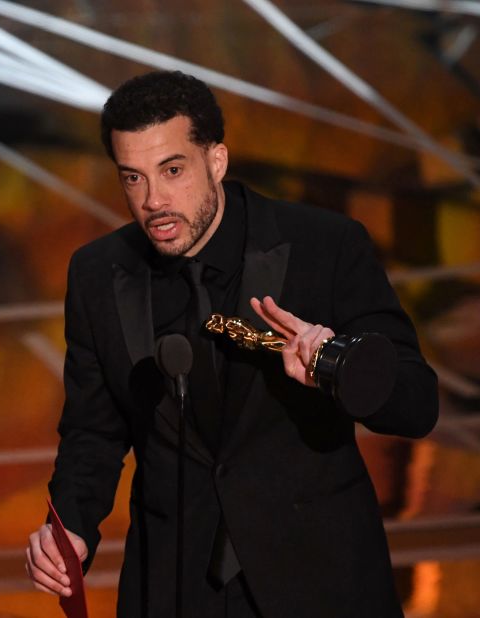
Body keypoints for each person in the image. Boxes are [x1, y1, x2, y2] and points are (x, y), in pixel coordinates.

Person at [25, 71, 438, 617]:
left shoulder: (324, 246)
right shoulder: (99, 273)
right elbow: (93, 429)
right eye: (133, 178)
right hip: (175, 584)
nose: (154, 201)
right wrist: (71, 527)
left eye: (172, 171)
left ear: (216, 160)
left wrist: (338, 366)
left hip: (318, 581)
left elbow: (417, 402)